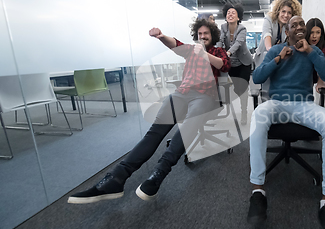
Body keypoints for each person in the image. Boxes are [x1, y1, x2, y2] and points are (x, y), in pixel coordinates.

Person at [68, 19, 230, 204]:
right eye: (200, 34)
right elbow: (175, 44)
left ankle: (158, 175)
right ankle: (116, 178)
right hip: (181, 94)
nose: (202, 37)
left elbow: (223, 65)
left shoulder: (218, 52)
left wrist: (204, 54)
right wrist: (161, 37)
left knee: (184, 131)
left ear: (212, 36)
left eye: (205, 34)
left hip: (204, 97)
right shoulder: (190, 50)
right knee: (153, 134)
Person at [247, 16, 325, 229]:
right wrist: (278, 59)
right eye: (294, 25)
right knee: (258, 116)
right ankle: (258, 191)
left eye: (302, 25)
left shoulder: (312, 51)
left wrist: (311, 52)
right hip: (277, 103)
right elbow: (257, 77)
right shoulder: (276, 51)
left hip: (303, 105)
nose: (299, 27)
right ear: (287, 30)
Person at [251, 0, 302, 99]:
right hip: (264, 55)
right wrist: (271, 50)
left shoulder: (288, 26)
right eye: (283, 11)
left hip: (278, 58)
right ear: (278, 11)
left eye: (289, 13)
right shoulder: (269, 19)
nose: (286, 15)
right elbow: (267, 34)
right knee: (263, 82)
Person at [220, 3, 253, 125]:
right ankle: (240, 103)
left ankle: (244, 111)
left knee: (243, 88)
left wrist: (227, 52)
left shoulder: (242, 29)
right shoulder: (223, 27)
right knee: (237, 89)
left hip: (244, 63)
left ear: (238, 17)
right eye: (228, 12)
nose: (230, 14)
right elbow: (220, 41)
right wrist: (219, 52)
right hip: (231, 64)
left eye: (233, 13)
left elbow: (238, 43)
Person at [305, 17, 325, 93]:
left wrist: (320, 82)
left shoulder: (322, 44)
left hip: (313, 75)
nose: (314, 36)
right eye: (312, 32)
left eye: (318, 32)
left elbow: (321, 63)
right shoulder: (302, 43)